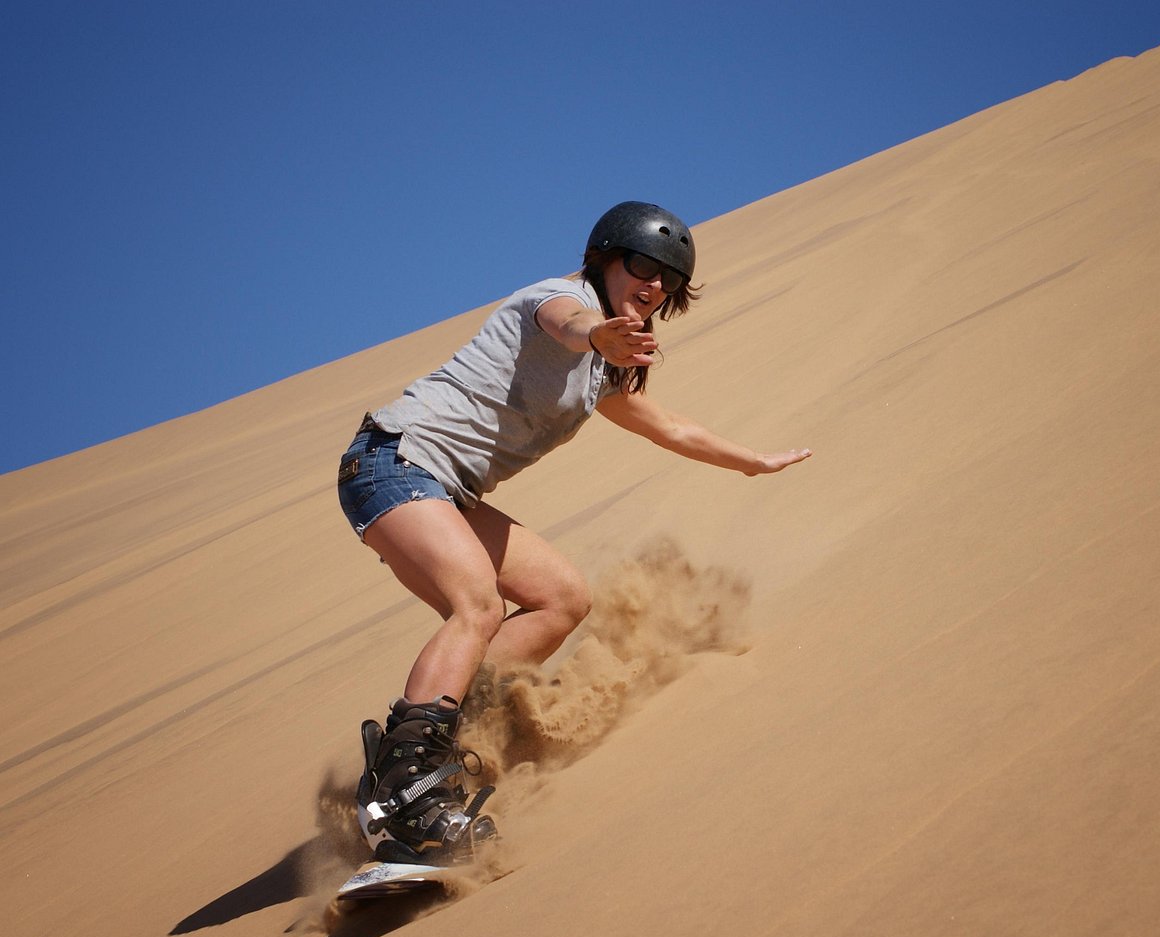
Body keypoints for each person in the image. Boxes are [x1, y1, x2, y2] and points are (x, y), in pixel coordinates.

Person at [336, 201, 810, 863]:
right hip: (394, 460)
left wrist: (750, 462)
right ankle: (406, 789)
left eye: (669, 280)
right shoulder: (557, 301)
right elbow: (568, 322)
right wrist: (598, 334)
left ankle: (434, 746)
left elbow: (670, 427)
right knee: (478, 606)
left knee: (563, 598)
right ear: (606, 257)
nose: (654, 284)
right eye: (643, 263)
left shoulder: (601, 373)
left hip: (446, 489)